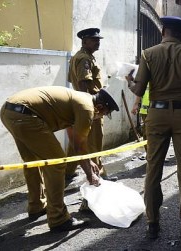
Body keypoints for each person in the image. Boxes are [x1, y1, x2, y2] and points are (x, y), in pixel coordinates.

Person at [0, 86, 119, 232]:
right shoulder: (87, 109)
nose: (100, 118)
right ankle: (58, 219)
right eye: (103, 115)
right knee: (57, 163)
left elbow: (74, 137)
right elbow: (79, 146)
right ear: (99, 107)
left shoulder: (80, 99)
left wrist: (89, 161)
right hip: (26, 115)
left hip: (10, 111)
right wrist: (90, 174)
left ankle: (36, 205)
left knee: (32, 162)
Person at [133, 16, 181, 239]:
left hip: (156, 115)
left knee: (153, 168)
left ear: (163, 30)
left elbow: (138, 90)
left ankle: (152, 223)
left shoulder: (148, 54)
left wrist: (130, 81)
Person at [66, 28, 115, 181]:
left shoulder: (80, 57)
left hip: (80, 104)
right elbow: (83, 83)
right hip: (91, 104)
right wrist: (90, 107)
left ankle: (68, 171)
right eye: (94, 40)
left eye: (98, 40)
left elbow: (71, 79)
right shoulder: (84, 58)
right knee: (94, 141)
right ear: (85, 41)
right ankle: (98, 174)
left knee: (77, 139)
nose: (98, 42)